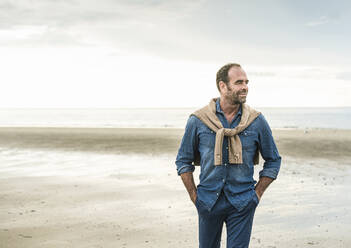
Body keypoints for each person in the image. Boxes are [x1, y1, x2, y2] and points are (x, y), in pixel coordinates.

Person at [175, 63, 281, 248]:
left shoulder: (256, 121)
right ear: (222, 86)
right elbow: (183, 160)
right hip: (208, 201)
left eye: (246, 82)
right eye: (239, 82)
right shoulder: (199, 120)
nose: (245, 87)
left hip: (242, 202)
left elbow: (273, 160)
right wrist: (194, 196)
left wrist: (257, 194)